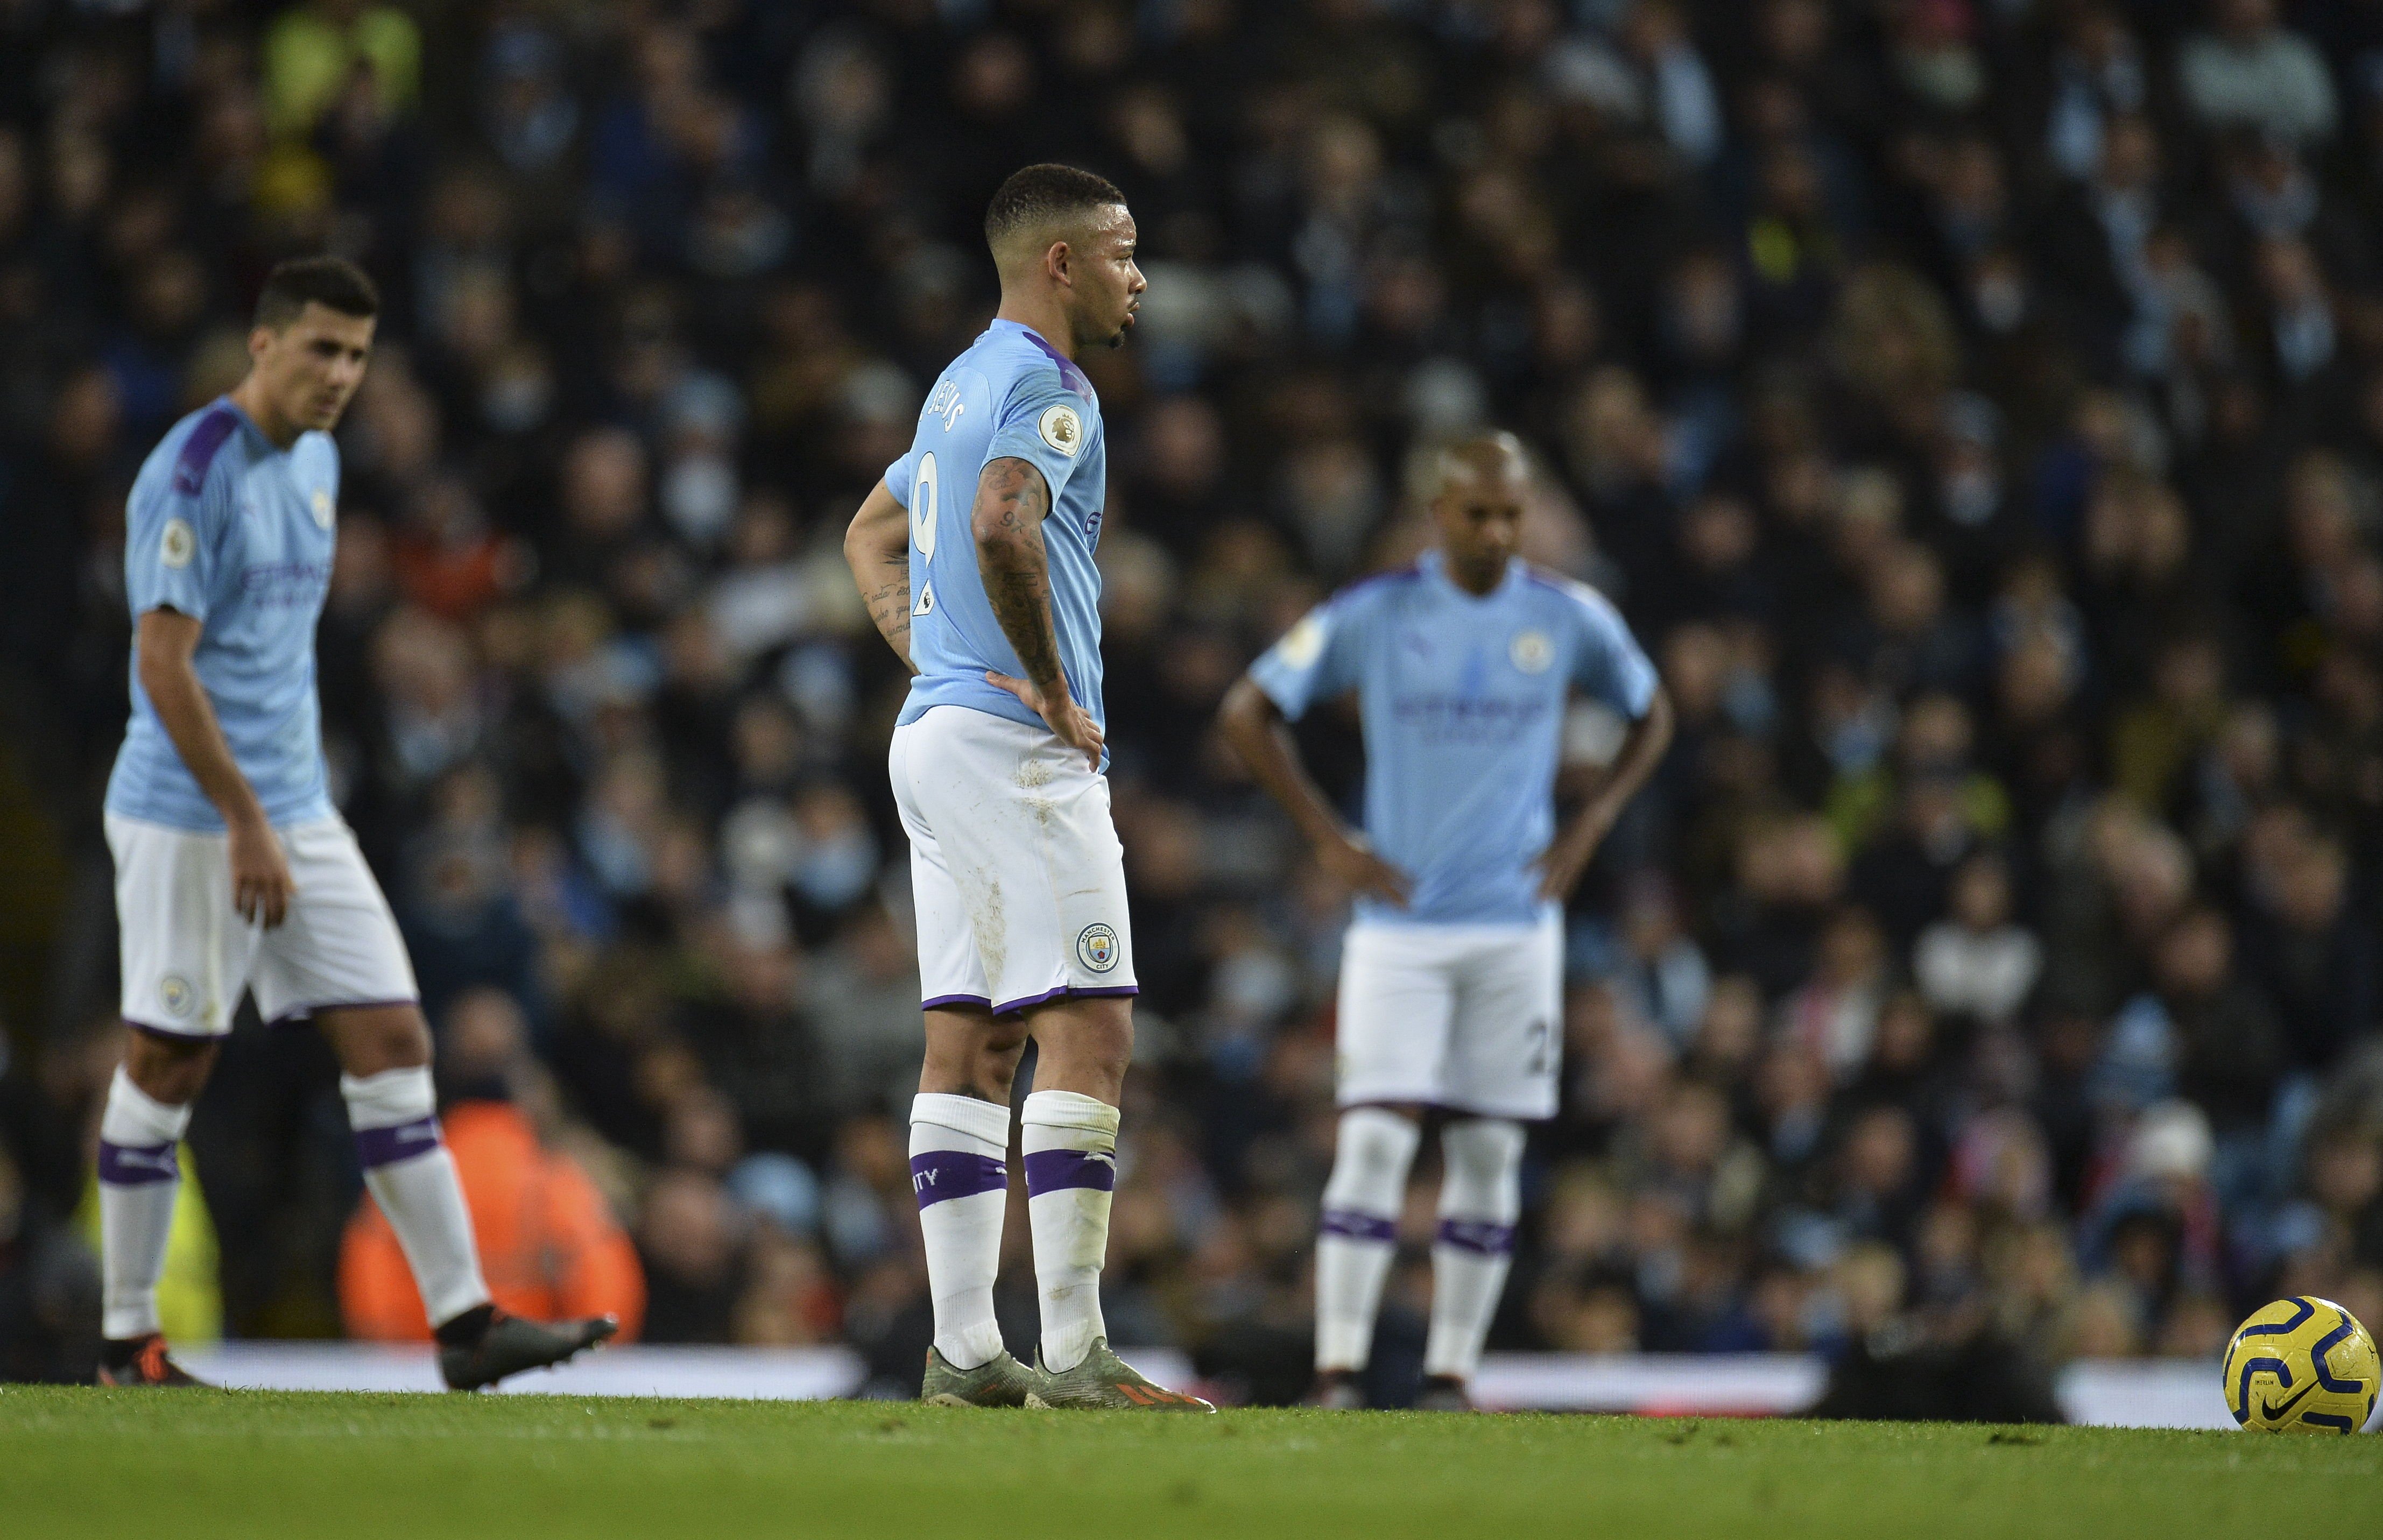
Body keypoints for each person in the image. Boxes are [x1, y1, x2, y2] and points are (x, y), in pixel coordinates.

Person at [95, 256, 615, 1388]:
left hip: (295, 811)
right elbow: (163, 664)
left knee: (393, 1041)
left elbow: (273, 658)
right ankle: (125, 1339)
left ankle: (465, 1325)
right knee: (169, 1063)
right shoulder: (191, 474)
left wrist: (285, 808)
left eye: (358, 355)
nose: (340, 374)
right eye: (321, 348)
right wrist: (242, 821)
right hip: (192, 815)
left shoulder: (322, 462)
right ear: (265, 344)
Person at [843, 165, 1207, 1409]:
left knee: (971, 1043)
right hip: (1011, 750)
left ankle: (963, 1354)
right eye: (1121, 251)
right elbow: (1004, 522)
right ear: (1060, 262)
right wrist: (1050, 690)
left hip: (934, 736)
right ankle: (1077, 1357)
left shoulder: (957, 381)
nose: (1138, 275)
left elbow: (869, 534)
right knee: (1090, 1032)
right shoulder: (1052, 392)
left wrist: (934, 657)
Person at [1218, 432, 1674, 1408]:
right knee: (1375, 1141)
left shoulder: (1566, 616)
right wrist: (1330, 839)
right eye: (1480, 512)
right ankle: (1338, 1369)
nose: (1499, 530)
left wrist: (1591, 823)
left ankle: (1450, 1375)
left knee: (1489, 1148)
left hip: (1516, 928)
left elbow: (1654, 710)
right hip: (1401, 930)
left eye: (1514, 512)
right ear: (1439, 511)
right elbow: (1248, 710)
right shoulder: (1376, 613)